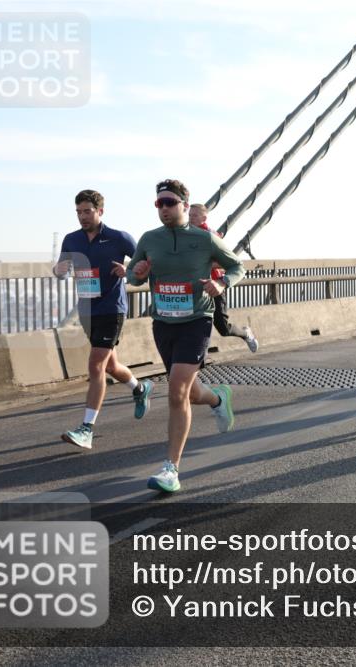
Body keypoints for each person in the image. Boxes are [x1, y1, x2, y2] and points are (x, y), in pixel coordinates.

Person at [127, 179, 244, 493]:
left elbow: (238, 266)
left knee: (176, 391)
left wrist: (221, 285)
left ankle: (171, 469)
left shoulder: (205, 240)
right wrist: (136, 274)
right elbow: (132, 275)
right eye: (159, 204)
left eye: (169, 203)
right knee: (190, 393)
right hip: (163, 323)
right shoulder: (150, 239)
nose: (163, 209)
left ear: (183, 205)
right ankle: (219, 398)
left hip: (196, 321)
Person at [53, 189, 151, 450]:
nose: (82, 217)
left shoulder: (119, 238)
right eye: (78, 212)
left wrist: (128, 271)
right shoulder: (71, 240)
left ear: (100, 211)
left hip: (112, 308)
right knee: (110, 366)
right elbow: (61, 270)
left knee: (96, 365)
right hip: (87, 310)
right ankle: (140, 389)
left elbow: (146, 267)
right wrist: (59, 270)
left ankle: (86, 428)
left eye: (87, 211)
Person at [188, 204, 259, 352]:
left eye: (194, 215)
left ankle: (246, 333)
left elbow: (225, 262)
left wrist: (203, 265)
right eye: (189, 215)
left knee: (223, 327)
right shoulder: (186, 234)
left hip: (214, 285)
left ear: (204, 218)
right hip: (195, 287)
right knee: (193, 324)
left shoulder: (211, 235)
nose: (190, 218)